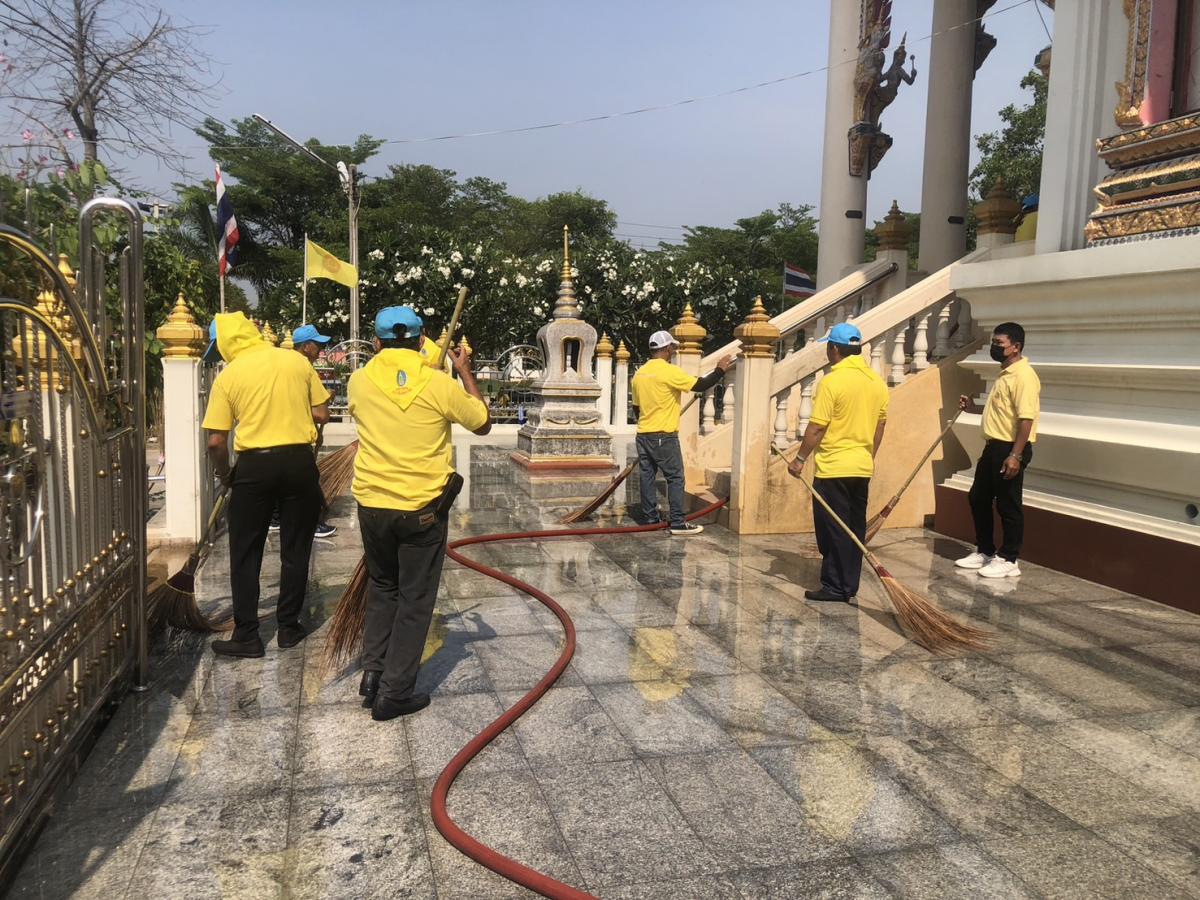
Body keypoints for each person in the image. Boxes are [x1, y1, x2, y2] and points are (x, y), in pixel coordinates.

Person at [349, 306, 491, 720]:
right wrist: (463, 372)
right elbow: (481, 422)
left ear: (376, 341)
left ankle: (373, 673)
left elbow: (393, 390)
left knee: (382, 588)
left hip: (373, 505)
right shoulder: (438, 383)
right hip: (421, 510)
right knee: (414, 599)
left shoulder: (358, 381)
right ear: (422, 338)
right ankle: (394, 693)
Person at [201, 312, 330, 657]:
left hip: (254, 467)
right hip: (299, 463)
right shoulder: (296, 361)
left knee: (245, 552)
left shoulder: (229, 377)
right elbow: (321, 414)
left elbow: (216, 442)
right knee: (296, 549)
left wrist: (225, 474)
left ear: (227, 343)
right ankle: (289, 628)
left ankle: (247, 635)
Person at [786, 322, 888, 602]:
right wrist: (868, 456)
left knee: (832, 529)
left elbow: (817, 426)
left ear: (834, 349)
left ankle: (834, 586)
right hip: (861, 467)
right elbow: (880, 426)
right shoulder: (877, 382)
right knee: (853, 529)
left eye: (828, 348)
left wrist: (799, 459)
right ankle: (848, 585)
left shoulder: (832, 382)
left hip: (833, 468)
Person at [955, 322, 1040, 578]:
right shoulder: (1005, 374)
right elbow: (1002, 412)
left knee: (1008, 504)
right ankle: (985, 550)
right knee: (978, 497)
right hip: (993, 446)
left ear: (1016, 347)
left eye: (999, 344)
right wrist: (973, 409)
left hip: (1010, 448)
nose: (994, 347)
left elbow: (1026, 419)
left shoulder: (1024, 376)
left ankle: (1009, 558)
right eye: (993, 342)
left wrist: (1015, 455)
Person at [630, 330, 733, 535]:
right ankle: (678, 521)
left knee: (647, 477)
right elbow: (700, 384)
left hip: (643, 435)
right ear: (668, 348)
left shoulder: (639, 374)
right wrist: (720, 370)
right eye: (673, 348)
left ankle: (650, 518)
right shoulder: (669, 372)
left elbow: (636, 408)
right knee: (675, 477)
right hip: (664, 436)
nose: (673, 351)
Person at [268, 324, 337, 539]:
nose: (320, 350)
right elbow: (320, 414)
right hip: (297, 439)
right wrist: (325, 402)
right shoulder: (304, 368)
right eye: (317, 345)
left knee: (281, 483)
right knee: (306, 486)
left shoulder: (279, 367)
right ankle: (312, 524)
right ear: (306, 346)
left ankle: (275, 519)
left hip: (275, 435)